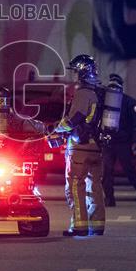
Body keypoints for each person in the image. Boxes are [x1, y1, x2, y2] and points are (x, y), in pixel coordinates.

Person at [54, 54, 105, 237]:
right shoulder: (98, 91)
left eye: (75, 71)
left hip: (80, 147)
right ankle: (97, 224)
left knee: (75, 185)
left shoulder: (83, 92)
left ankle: (80, 226)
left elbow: (74, 119)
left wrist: (57, 129)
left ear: (82, 73)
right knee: (95, 186)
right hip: (96, 147)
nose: (74, 75)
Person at [101, 73, 136, 207]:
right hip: (110, 141)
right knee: (106, 172)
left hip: (122, 142)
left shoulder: (129, 102)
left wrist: (135, 141)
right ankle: (109, 199)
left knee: (129, 170)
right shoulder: (106, 101)